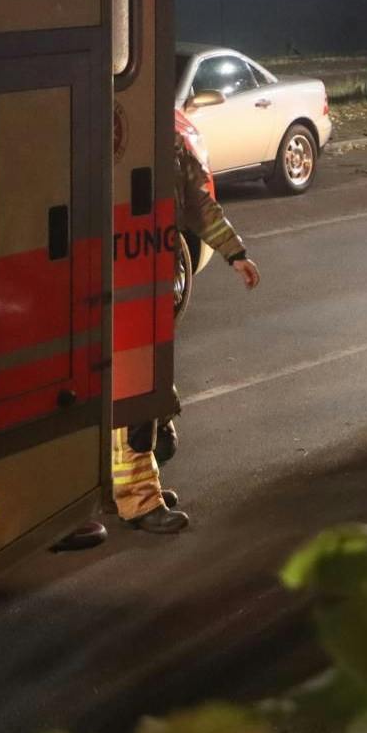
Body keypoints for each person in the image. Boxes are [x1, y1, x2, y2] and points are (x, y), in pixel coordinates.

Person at [110, 124, 261, 535]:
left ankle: (128, 489)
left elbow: (197, 202)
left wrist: (235, 253)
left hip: (150, 283)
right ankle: (139, 500)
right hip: (118, 289)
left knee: (144, 397)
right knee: (135, 400)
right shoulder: (107, 119)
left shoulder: (168, 133)